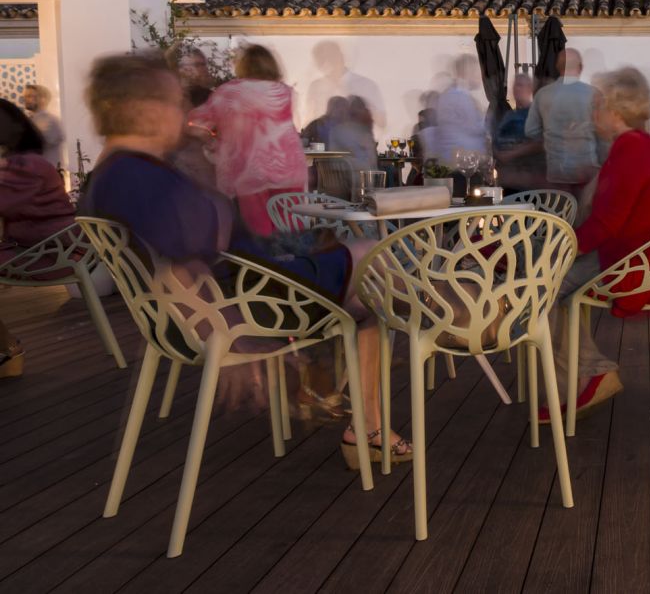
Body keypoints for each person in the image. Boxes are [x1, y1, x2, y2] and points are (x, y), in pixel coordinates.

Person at [77, 53, 410, 464]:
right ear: (143, 109)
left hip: (241, 293)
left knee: (371, 283)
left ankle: (350, 401)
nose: (183, 112)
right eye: (174, 101)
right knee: (374, 265)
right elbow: (179, 268)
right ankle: (441, 332)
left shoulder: (115, 173)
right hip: (250, 302)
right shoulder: (137, 178)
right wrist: (232, 333)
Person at [541, 67, 650, 422]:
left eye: (597, 107)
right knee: (553, 279)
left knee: (541, 286)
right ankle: (589, 373)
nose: (592, 116)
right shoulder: (644, 145)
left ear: (615, 112)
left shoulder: (630, 151)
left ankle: (585, 379)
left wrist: (556, 251)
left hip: (637, 266)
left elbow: (605, 225)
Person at [188, 44, 308, 237]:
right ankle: (293, 264)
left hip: (250, 168)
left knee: (259, 234)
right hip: (289, 168)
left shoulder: (230, 92)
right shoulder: (284, 92)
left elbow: (195, 121)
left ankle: (263, 266)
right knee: (290, 231)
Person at [0, 99, 78, 379]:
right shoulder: (21, 163)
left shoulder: (26, 165)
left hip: (52, 254)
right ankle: (8, 350)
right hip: (39, 248)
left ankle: (9, 349)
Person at [524, 48, 601, 195]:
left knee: (559, 215)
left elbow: (531, 131)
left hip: (556, 172)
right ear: (581, 68)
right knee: (585, 215)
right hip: (587, 171)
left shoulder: (543, 94)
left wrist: (552, 136)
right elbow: (603, 134)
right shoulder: (593, 94)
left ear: (558, 67)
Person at [432, 55, 490, 165]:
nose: (480, 76)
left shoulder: (456, 94)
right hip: (461, 162)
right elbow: (474, 127)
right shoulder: (458, 96)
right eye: (475, 71)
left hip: (461, 159)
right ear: (466, 71)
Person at [495, 74, 545, 192]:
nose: (516, 89)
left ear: (530, 88)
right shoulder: (508, 115)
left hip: (526, 181)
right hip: (506, 179)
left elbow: (541, 143)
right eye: (515, 86)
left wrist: (512, 154)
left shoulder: (536, 114)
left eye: (520, 85)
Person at [22, 84, 64, 167]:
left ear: (42, 99)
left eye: (30, 96)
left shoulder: (51, 121)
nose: (26, 100)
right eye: (25, 97)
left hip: (48, 173)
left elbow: (36, 146)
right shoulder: (29, 120)